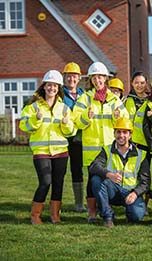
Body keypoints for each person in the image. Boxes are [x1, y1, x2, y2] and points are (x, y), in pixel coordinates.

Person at [72, 61, 129, 223]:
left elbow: (125, 121)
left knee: (107, 179)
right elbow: (76, 121)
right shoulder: (85, 98)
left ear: (105, 78)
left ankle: (106, 209)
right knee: (92, 181)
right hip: (92, 149)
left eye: (101, 77)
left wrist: (117, 117)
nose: (98, 80)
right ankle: (91, 213)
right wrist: (85, 117)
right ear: (90, 79)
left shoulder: (114, 99)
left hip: (110, 149)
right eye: (95, 77)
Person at [20, 70, 76, 224]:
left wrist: (66, 123)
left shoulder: (64, 108)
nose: (52, 88)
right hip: (41, 151)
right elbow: (23, 125)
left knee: (58, 184)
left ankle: (55, 215)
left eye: (55, 86)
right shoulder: (33, 106)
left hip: (61, 152)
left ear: (58, 88)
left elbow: (71, 132)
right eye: (49, 85)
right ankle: (35, 216)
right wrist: (35, 119)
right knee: (45, 182)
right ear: (44, 86)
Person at [89, 118, 150, 228]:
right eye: (118, 132)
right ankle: (108, 217)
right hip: (113, 189)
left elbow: (145, 182)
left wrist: (135, 193)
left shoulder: (141, 155)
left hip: (130, 193)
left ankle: (130, 213)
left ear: (130, 135)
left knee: (137, 215)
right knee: (96, 180)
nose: (121, 135)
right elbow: (94, 166)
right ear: (114, 133)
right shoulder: (107, 150)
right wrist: (109, 174)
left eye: (125, 132)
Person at [61, 62, 86, 212]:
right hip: (63, 139)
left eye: (74, 76)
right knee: (60, 171)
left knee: (78, 170)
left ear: (79, 78)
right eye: (69, 76)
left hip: (80, 139)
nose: (72, 79)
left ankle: (79, 204)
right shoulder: (59, 94)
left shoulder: (84, 95)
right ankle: (55, 203)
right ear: (64, 78)